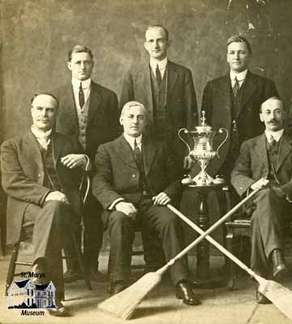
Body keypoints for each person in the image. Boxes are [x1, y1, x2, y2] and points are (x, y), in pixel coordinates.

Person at [92, 101, 200, 305]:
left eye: (140, 117)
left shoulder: (160, 146)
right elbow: (99, 182)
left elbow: (177, 178)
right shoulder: (107, 149)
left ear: (145, 122)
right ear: (121, 120)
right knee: (119, 220)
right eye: (131, 116)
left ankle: (182, 281)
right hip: (122, 205)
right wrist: (117, 202)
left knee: (170, 220)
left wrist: (168, 192)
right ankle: (119, 282)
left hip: (153, 204)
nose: (135, 121)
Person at [1, 93, 89, 316]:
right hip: (26, 209)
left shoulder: (68, 142)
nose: (44, 114)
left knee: (55, 212)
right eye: (39, 109)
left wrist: (85, 160)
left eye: (49, 110)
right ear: (31, 111)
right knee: (53, 210)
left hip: (65, 207)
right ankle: (53, 294)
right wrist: (48, 194)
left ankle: (41, 279)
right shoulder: (12, 145)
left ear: (56, 114)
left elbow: (92, 174)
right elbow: (11, 182)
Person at [231, 97, 292, 304]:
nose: (272, 117)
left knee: (262, 212)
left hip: (289, 203)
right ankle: (275, 258)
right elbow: (237, 174)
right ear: (261, 117)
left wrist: (281, 191)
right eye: (267, 112)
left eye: (277, 112)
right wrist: (251, 185)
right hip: (257, 200)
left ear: (283, 115)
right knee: (263, 200)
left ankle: (262, 280)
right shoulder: (249, 145)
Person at [53, 45, 120, 282]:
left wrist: (90, 160)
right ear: (69, 64)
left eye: (87, 62)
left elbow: (113, 138)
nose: (83, 66)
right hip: (65, 169)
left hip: (96, 166)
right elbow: (52, 137)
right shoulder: (56, 97)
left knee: (93, 216)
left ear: (93, 64)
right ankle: (72, 266)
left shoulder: (108, 97)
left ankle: (91, 265)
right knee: (68, 214)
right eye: (78, 62)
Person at [119, 25, 198, 170]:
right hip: (144, 146)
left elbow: (191, 115)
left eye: (160, 40)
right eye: (151, 41)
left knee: (174, 188)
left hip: (176, 147)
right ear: (145, 45)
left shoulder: (183, 73)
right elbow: (124, 115)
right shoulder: (133, 74)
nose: (155, 45)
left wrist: (190, 150)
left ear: (168, 43)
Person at [202, 35, 279, 178]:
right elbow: (205, 124)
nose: (236, 57)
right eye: (232, 52)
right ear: (227, 57)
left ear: (249, 56)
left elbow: (274, 121)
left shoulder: (264, 85)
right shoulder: (213, 87)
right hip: (220, 154)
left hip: (254, 153)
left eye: (241, 52)